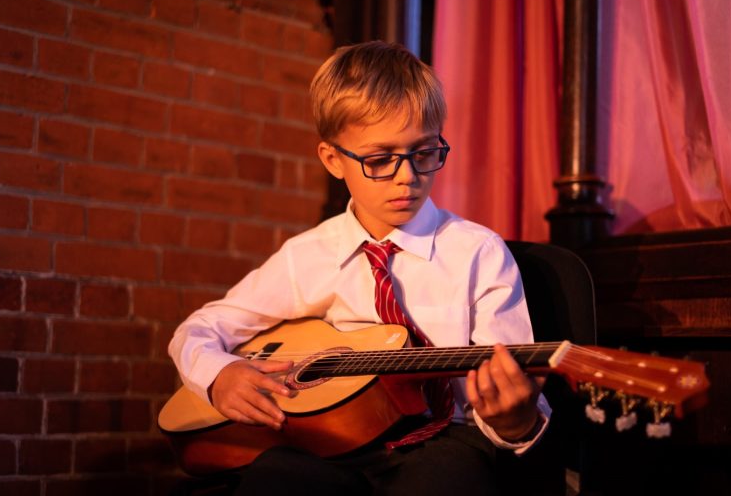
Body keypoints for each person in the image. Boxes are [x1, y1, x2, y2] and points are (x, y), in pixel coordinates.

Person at [168, 40, 553, 495]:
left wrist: (514, 421)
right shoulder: (306, 256)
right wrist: (218, 375)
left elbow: (510, 400)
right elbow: (197, 330)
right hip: (332, 445)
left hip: (444, 440)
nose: (407, 176)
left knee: (449, 478)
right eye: (379, 160)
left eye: (424, 153)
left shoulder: (478, 254)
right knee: (273, 478)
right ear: (333, 160)